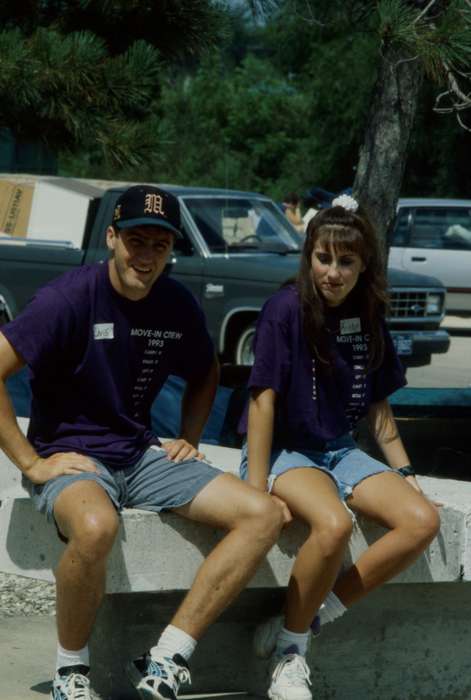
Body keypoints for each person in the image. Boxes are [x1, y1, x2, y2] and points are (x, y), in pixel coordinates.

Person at [0, 184, 285, 700]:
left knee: (264, 513)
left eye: (159, 244)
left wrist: (192, 437)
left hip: (139, 454)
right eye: (136, 241)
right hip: (73, 456)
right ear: (112, 237)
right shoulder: (68, 298)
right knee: (95, 526)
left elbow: (206, 371)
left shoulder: (174, 302)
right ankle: (71, 674)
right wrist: (29, 461)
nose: (147, 256)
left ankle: (167, 656)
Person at [239, 194, 440, 700]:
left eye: (346, 261)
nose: (333, 272)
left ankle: (311, 620)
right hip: (287, 450)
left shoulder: (366, 314)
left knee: (421, 520)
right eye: (324, 258)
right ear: (309, 256)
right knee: (332, 524)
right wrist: (256, 490)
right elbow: (261, 403)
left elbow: (378, 406)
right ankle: (290, 655)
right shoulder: (283, 310)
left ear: (363, 264)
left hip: (339, 449)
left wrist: (406, 470)